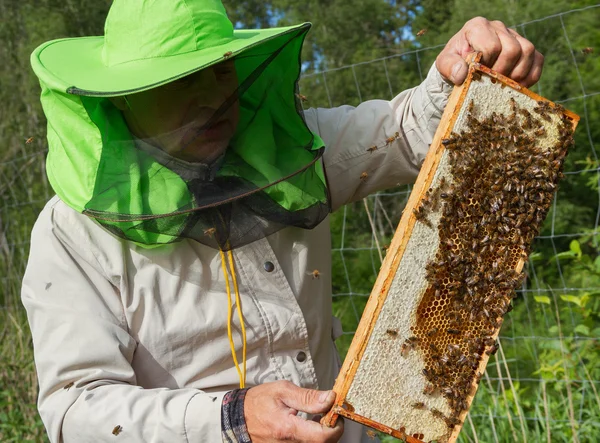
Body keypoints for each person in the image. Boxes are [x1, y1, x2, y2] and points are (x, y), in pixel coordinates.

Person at [21, 1, 543, 442]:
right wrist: (230, 418)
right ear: (125, 98)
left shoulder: (291, 149)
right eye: (181, 82)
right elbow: (74, 410)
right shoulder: (72, 232)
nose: (213, 98)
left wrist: (457, 70)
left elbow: (408, 132)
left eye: (221, 69)